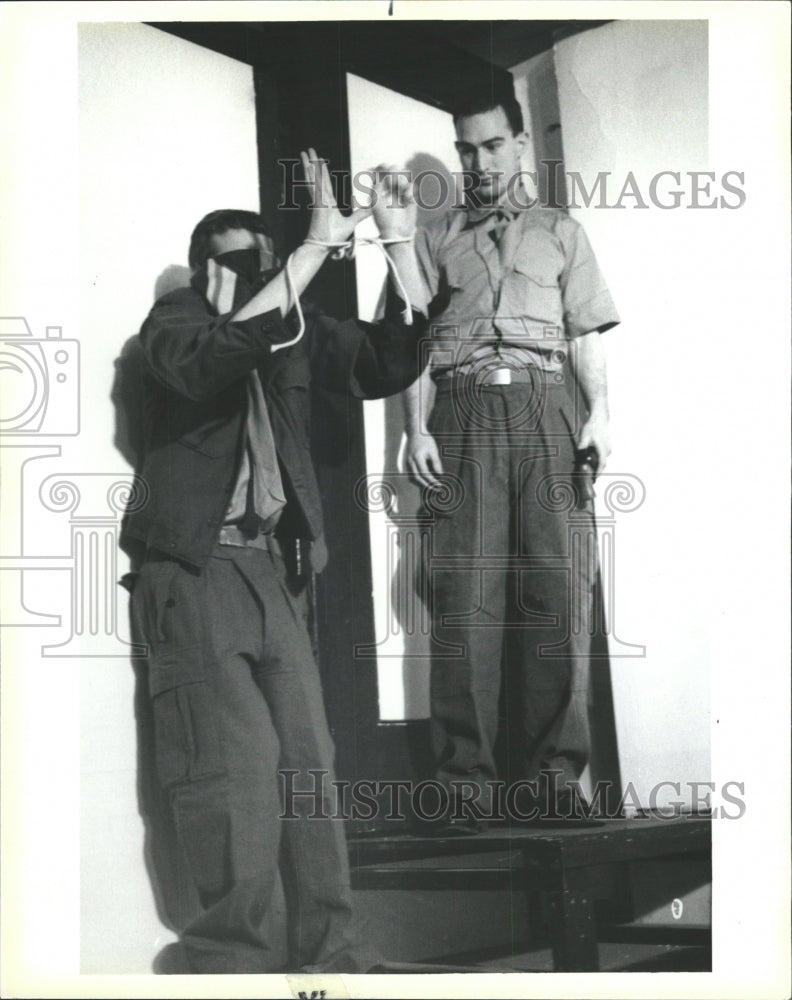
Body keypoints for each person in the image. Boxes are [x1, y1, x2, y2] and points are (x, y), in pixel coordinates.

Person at [120, 151, 424, 973]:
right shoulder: (173, 326)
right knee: (234, 779)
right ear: (198, 273)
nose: (254, 278)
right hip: (191, 571)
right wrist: (307, 256)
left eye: (264, 262)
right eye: (234, 266)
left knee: (308, 774)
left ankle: (333, 963)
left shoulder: (295, 331)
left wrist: (399, 248)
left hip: (272, 574)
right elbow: (208, 359)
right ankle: (234, 968)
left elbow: (393, 360)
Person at [401, 93, 620, 833]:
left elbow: (585, 333)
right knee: (463, 596)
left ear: (521, 144)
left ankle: (553, 782)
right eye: (467, 150)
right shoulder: (432, 238)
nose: (480, 163)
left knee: (557, 590)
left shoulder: (563, 231)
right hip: (459, 416)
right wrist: (414, 429)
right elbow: (411, 344)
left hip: (547, 405)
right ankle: (464, 786)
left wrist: (603, 415)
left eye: (493, 146)